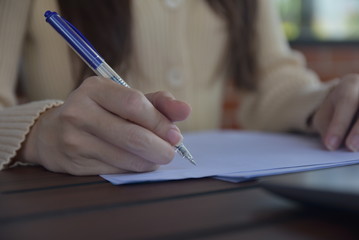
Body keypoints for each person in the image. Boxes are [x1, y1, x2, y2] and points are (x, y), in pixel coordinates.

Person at [1, 0, 358, 175]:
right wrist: (39, 133)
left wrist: (330, 102)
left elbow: (274, 85)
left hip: (206, 205)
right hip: (74, 207)